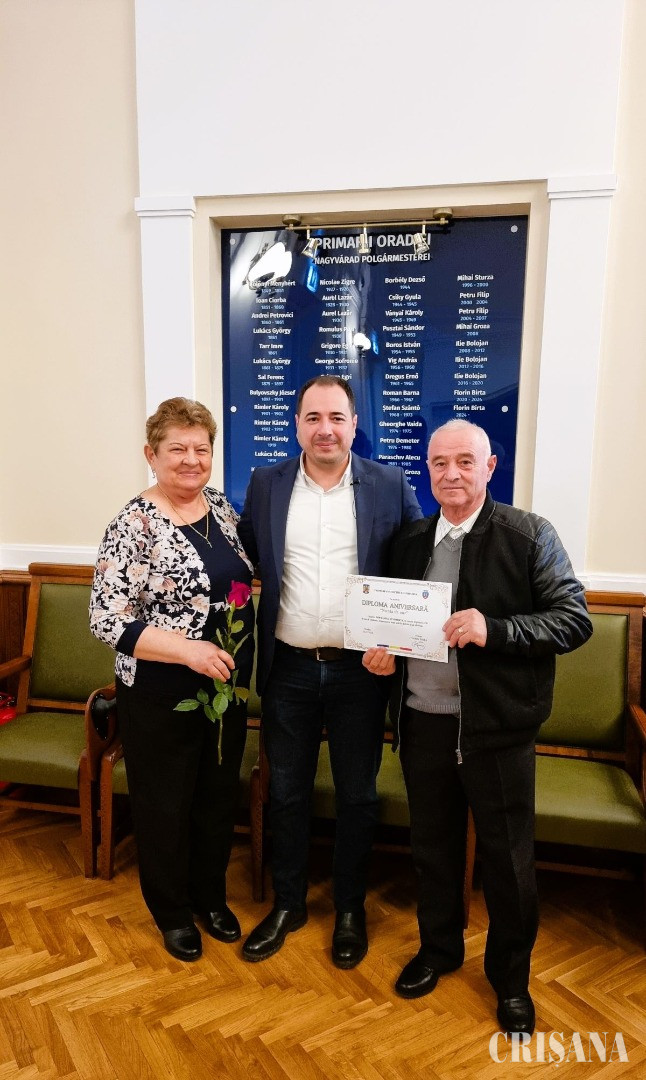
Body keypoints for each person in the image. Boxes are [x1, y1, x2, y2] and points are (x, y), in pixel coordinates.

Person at [367, 419, 592, 1034]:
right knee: (432, 851)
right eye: (439, 462)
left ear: (490, 467)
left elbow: (574, 619)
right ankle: (438, 950)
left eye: (465, 461)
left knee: (508, 862)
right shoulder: (410, 541)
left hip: (497, 729)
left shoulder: (529, 535)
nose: (451, 474)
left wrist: (496, 629)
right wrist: (382, 655)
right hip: (422, 723)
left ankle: (511, 981)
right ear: (427, 469)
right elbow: (393, 627)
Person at [237, 375, 423, 967]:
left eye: (336, 417)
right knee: (286, 791)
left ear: (353, 424)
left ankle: (349, 910)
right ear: (296, 425)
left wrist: (396, 641)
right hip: (288, 667)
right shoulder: (265, 484)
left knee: (358, 795)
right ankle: (289, 904)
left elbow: (417, 570)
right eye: (313, 417)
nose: (325, 429)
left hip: (360, 673)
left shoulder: (389, 485)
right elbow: (246, 559)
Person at [89, 397, 255, 962]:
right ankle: (172, 911)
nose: (191, 460)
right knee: (165, 806)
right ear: (151, 454)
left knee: (215, 796)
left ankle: (210, 896)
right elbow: (106, 619)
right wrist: (187, 651)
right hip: (160, 694)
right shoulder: (133, 524)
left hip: (223, 689)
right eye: (177, 449)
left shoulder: (220, 507)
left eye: (201, 449)